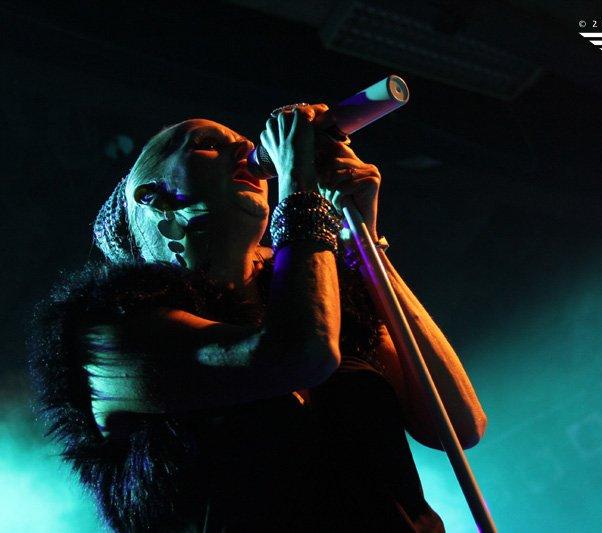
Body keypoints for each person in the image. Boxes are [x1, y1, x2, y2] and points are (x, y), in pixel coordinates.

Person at [28, 103, 487, 532]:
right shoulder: (112, 328)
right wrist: (301, 189)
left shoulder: (334, 302)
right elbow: (297, 356)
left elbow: (458, 424)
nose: (245, 149)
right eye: (207, 143)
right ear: (152, 197)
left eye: (245, 143)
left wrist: (360, 241)